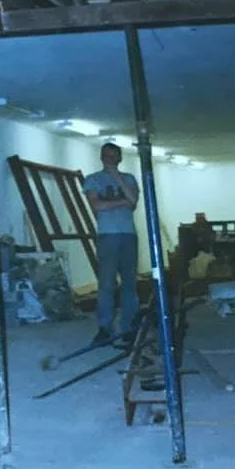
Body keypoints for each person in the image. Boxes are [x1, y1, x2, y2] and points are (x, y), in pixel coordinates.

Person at [83, 142, 140, 346]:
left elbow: (133, 202)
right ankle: (105, 328)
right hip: (107, 236)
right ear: (101, 157)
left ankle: (129, 328)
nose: (110, 160)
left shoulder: (129, 178)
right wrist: (123, 202)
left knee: (129, 284)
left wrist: (117, 178)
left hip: (128, 236)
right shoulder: (92, 179)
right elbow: (97, 205)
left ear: (119, 158)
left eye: (114, 156)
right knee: (106, 284)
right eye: (106, 156)